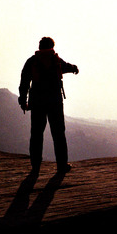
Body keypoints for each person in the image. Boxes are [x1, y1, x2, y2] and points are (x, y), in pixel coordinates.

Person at [18, 37, 79, 174]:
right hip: (55, 103)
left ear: (39, 47)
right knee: (58, 134)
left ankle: (35, 167)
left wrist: (23, 101)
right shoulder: (55, 60)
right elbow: (67, 67)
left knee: (36, 135)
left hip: (37, 103)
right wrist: (74, 68)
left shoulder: (32, 61)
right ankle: (62, 165)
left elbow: (24, 83)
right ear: (52, 47)